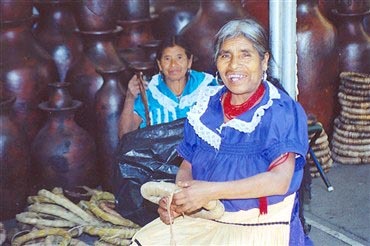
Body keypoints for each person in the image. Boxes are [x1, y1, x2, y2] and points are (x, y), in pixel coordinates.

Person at [131, 18, 309, 245]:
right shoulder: (206, 107)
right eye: (226, 55)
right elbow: (188, 165)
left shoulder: (279, 111)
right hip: (206, 218)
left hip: (256, 224)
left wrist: (208, 192)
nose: (234, 65)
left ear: (264, 61)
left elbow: (279, 181)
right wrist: (180, 200)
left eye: (246, 54)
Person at [118, 36, 218, 137]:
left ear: (189, 61)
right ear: (160, 64)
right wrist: (130, 97)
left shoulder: (207, 86)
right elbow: (125, 135)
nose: (173, 65)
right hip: (159, 152)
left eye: (179, 58)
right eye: (167, 59)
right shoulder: (149, 91)